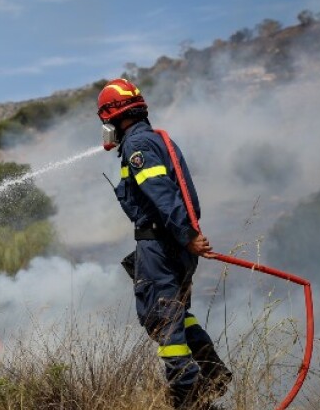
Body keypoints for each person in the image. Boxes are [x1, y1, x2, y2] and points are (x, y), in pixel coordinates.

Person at [97, 78, 232, 410]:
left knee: (162, 320)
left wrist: (186, 236)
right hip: (173, 244)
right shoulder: (153, 139)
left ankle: (190, 399)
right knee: (177, 314)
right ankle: (213, 374)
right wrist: (187, 238)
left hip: (162, 244)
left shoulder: (137, 146)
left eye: (105, 120)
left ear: (113, 116)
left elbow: (161, 192)